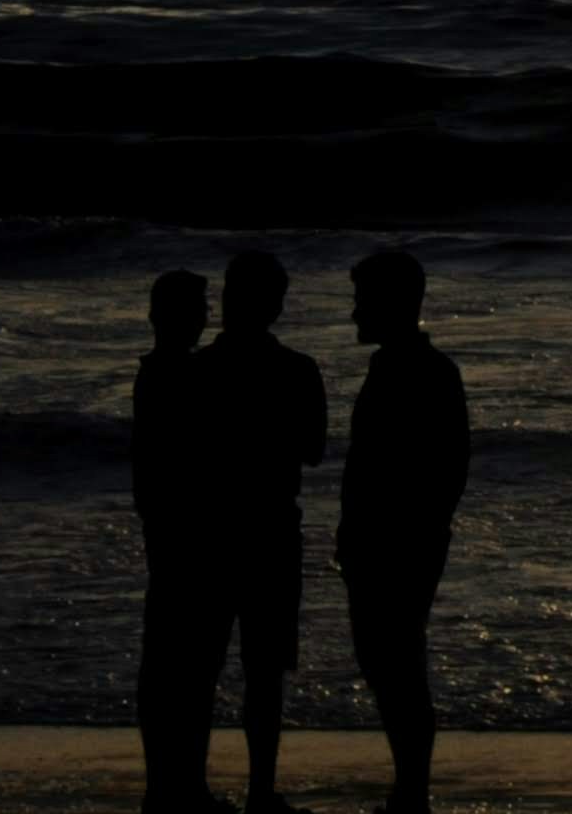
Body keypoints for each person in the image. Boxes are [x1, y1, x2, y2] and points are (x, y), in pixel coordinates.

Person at [338, 249, 469, 814]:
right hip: (389, 539)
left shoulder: (424, 371)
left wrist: (413, 528)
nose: (353, 313)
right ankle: (409, 787)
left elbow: (445, 466)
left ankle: (412, 791)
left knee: (396, 663)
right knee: (389, 660)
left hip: (399, 542)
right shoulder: (402, 367)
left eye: (363, 300)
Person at [199, 251, 327, 814]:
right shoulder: (298, 370)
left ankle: (193, 785)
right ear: (276, 306)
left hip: (210, 531)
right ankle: (259, 791)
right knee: (264, 671)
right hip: (271, 530)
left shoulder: (198, 371)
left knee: (201, 665)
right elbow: (314, 449)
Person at [132, 270, 227, 814]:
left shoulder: (161, 373)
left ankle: (170, 784)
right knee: (188, 666)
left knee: (175, 663)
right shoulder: (179, 376)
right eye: (198, 309)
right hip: (186, 535)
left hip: (169, 531)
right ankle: (180, 784)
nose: (204, 318)